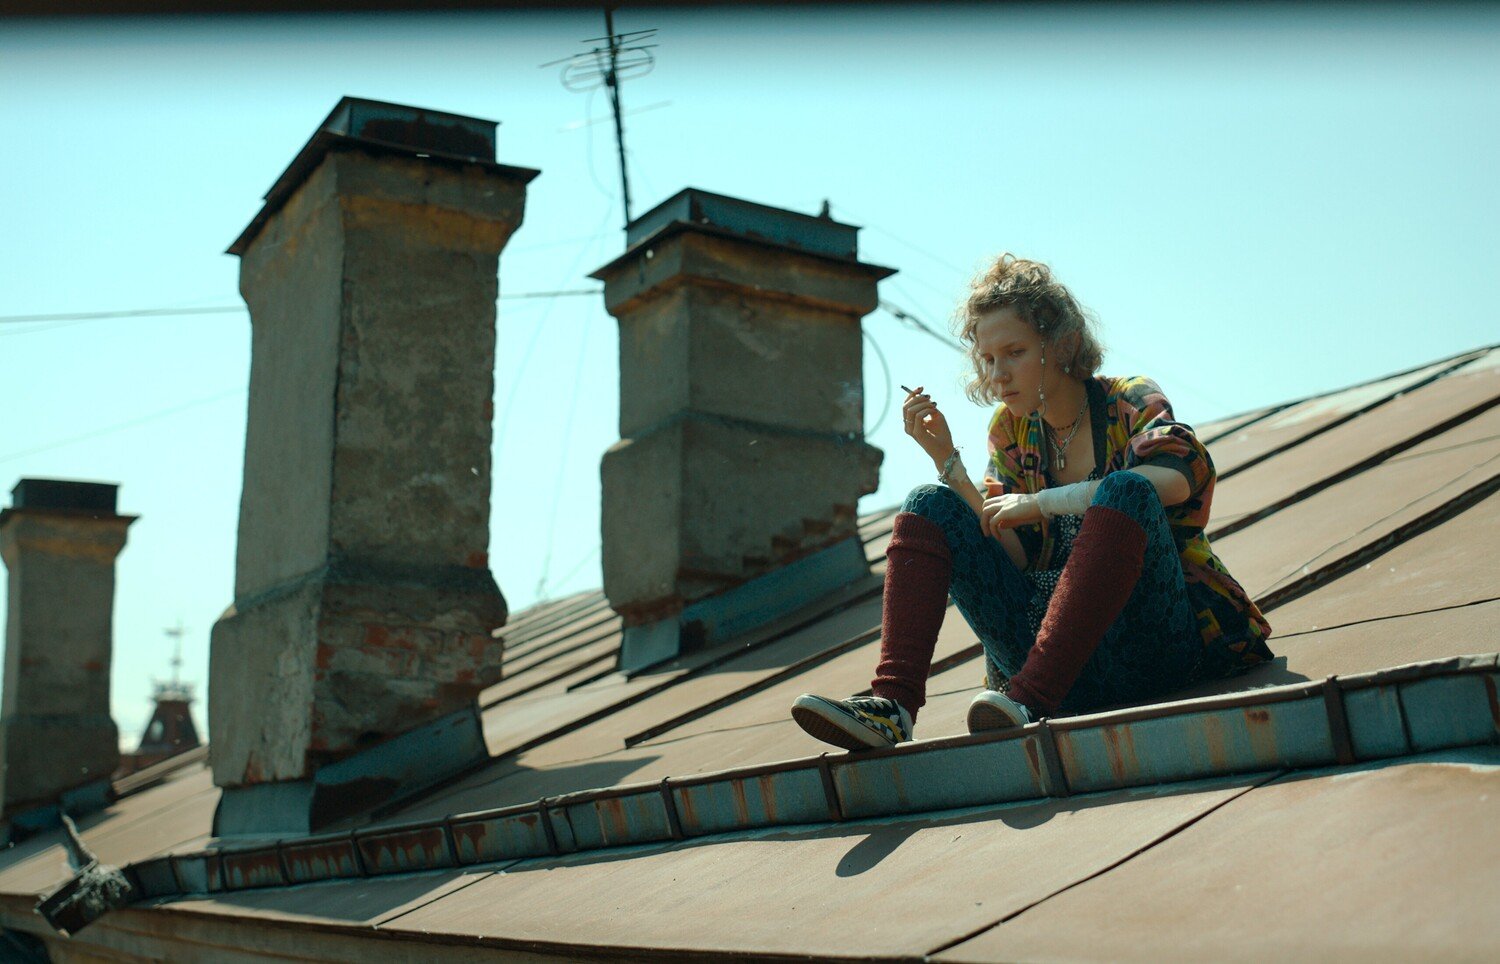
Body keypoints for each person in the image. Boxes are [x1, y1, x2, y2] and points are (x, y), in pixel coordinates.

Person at [791, 254, 1273, 750]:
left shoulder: (1128, 399)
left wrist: (1044, 502)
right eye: (988, 359)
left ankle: (1028, 700)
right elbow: (1013, 554)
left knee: (1125, 489)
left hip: (1151, 649)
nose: (998, 375)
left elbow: (1176, 478)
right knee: (927, 502)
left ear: (1062, 345)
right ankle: (893, 707)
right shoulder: (1011, 430)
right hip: (1062, 672)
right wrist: (947, 462)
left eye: (1014, 352)